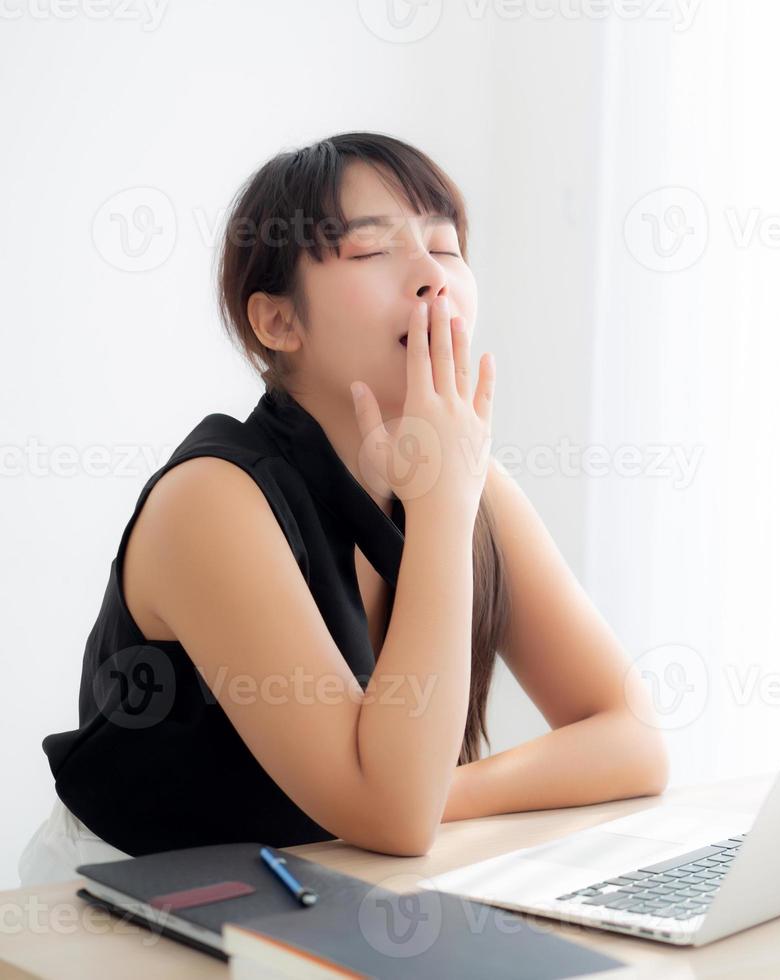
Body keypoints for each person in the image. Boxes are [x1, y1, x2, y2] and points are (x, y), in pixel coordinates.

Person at [21, 132, 668, 886]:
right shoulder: (213, 500)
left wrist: (440, 794)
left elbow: (633, 740)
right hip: (130, 903)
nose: (432, 278)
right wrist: (442, 511)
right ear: (278, 323)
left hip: (332, 883)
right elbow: (393, 813)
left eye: (448, 247)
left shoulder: (469, 487)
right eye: (373, 253)